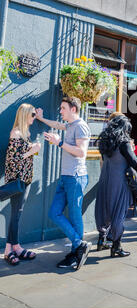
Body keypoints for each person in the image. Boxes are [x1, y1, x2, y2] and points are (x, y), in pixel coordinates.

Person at [36, 96, 92, 270]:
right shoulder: (70, 125)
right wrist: (40, 118)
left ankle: (76, 254)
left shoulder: (81, 126)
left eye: (63, 108)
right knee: (54, 213)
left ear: (73, 109)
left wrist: (59, 142)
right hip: (65, 177)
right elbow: (56, 124)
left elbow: (81, 152)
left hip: (75, 177)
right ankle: (79, 244)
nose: (60, 111)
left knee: (75, 217)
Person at [95, 114, 137, 257]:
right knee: (118, 213)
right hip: (119, 181)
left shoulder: (106, 141)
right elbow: (134, 161)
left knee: (104, 209)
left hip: (105, 180)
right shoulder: (124, 142)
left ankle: (101, 240)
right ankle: (116, 247)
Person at [3, 104, 41, 266]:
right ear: (25, 114)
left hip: (25, 179)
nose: (34, 117)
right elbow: (12, 160)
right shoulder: (16, 133)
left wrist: (32, 148)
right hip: (17, 180)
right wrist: (31, 151)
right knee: (16, 215)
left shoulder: (26, 133)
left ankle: (15, 247)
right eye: (32, 114)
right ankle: (9, 250)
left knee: (17, 214)